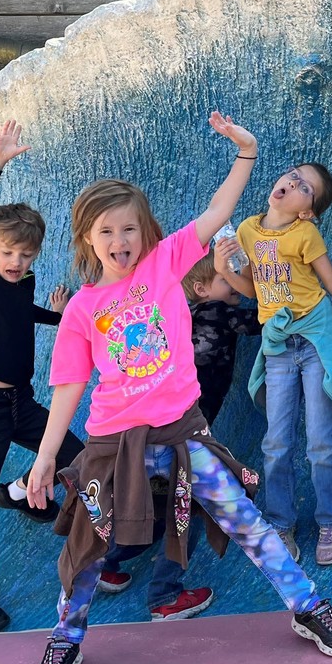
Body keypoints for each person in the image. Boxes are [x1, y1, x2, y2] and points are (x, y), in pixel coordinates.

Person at [25, 113, 332, 664]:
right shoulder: (82, 309)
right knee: (87, 550)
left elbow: (217, 213)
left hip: (182, 433)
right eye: (106, 231)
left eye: (129, 229)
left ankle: (307, 605)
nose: (120, 241)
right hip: (111, 444)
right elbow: (69, 386)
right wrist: (48, 456)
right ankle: (66, 638)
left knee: (246, 520)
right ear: (86, 239)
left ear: (145, 233)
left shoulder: (166, 264)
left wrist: (247, 154)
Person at [214, 162, 332, 569]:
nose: (291, 183)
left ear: (309, 210)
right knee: (276, 444)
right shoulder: (247, 232)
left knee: (322, 441)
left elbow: (331, 281)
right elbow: (255, 289)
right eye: (293, 175)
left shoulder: (306, 233)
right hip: (276, 345)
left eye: (304, 187)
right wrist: (223, 270)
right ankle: (280, 522)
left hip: (314, 340)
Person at [0, 119, 84, 634]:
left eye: (27, 255)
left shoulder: (21, 284)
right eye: (9, 252)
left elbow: (21, 316)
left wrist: (62, 316)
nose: (17, 261)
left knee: (74, 455)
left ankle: (21, 490)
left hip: (20, 405)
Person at [95, 251, 262, 620]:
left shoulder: (177, 314)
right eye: (225, 278)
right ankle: (164, 596)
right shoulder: (220, 311)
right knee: (189, 509)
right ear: (202, 288)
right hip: (184, 433)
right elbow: (264, 319)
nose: (234, 283)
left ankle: (106, 563)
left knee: (158, 509)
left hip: (152, 430)